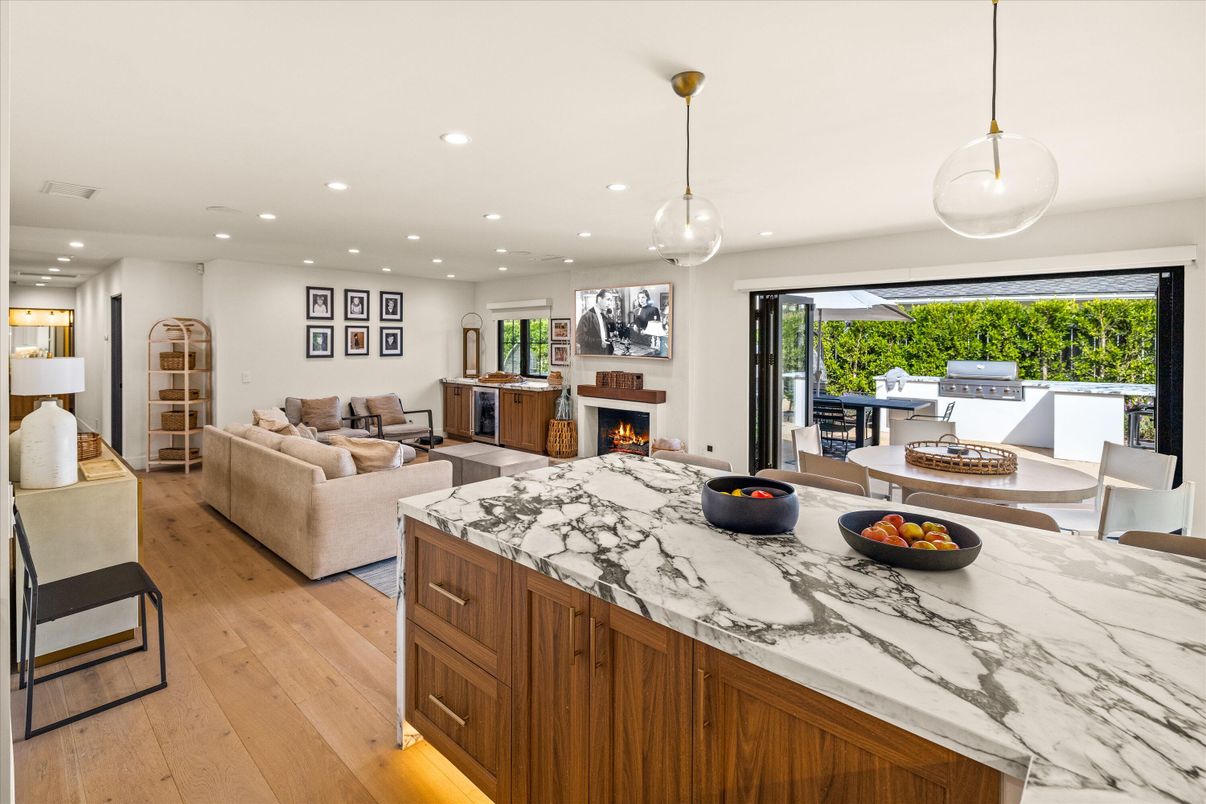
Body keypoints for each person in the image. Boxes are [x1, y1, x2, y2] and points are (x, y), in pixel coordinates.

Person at [574, 289, 612, 355]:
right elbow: (579, 338)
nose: (610, 303)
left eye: (611, 301)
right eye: (608, 299)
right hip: (591, 355)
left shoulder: (604, 315)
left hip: (604, 354)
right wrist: (599, 342)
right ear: (599, 299)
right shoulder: (586, 316)